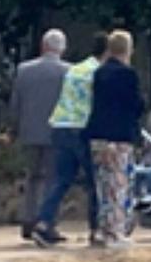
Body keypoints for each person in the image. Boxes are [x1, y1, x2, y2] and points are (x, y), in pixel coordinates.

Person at [33, 34, 109, 248]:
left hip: (61, 124)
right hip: (82, 127)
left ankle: (44, 222)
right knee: (95, 180)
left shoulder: (75, 69)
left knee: (61, 179)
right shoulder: (99, 73)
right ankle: (96, 228)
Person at [86, 31, 146, 250]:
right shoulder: (128, 75)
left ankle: (101, 230)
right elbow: (136, 104)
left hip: (97, 134)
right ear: (128, 49)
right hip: (119, 135)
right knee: (118, 185)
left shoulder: (99, 73)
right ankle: (115, 232)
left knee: (102, 185)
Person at [9, 30, 68, 241]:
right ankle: (47, 222)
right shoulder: (67, 72)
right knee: (53, 180)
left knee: (32, 178)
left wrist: (13, 128)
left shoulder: (24, 70)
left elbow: (16, 103)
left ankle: (28, 219)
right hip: (57, 133)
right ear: (62, 49)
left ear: (43, 46)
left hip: (30, 131)